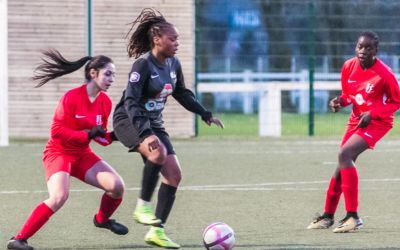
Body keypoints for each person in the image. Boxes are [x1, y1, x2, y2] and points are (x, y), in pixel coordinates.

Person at [113, 8, 224, 249]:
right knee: (157, 152)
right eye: (172, 38)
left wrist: (204, 114)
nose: (177, 43)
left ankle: (156, 231)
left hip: (153, 123)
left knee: (174, 175)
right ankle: (142, 206)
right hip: (128, 120)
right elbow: (131, 102)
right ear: (157, 40)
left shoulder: (173, 63)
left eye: (178, 39)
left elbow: (181, 92)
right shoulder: (142, 65)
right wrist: (145, 133)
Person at [7, 50, 128, 250]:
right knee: (59, 196)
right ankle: (18, 239)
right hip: (58, 152)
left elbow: (100, 137)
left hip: (82, 154)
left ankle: (101, 220)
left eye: (113, 75)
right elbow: (57, 132)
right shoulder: (71, 97)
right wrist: (88, 135)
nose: (112, 79)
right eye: (108, 74)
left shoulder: (105, 102)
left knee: (117, 187)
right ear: (93, 73)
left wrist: (115, 136)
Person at [307, 31, 400, 233]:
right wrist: (339, 102)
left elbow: (396, 101)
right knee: (343, 163)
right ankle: (327, 217)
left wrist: (373, 114)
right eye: (360, 47)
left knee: (344, 154)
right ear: (356, 47)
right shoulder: (348, 66)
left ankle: (353, 217)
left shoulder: (384, 74)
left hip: (378, 122)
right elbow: (349, 95)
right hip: (357, 120)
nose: (363, 51)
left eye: (368, 48)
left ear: (376, 50)